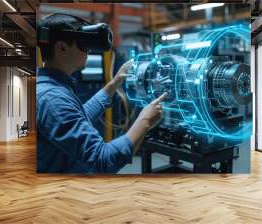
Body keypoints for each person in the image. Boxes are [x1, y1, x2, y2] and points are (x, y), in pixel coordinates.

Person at [36, 13, 166, 173]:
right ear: (61, 47)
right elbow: (103, 160)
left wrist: (115, 82)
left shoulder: (51, 88)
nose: (88, 50)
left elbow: (80, 116)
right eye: (82, 45)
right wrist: (145, 120)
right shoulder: (53, 99)